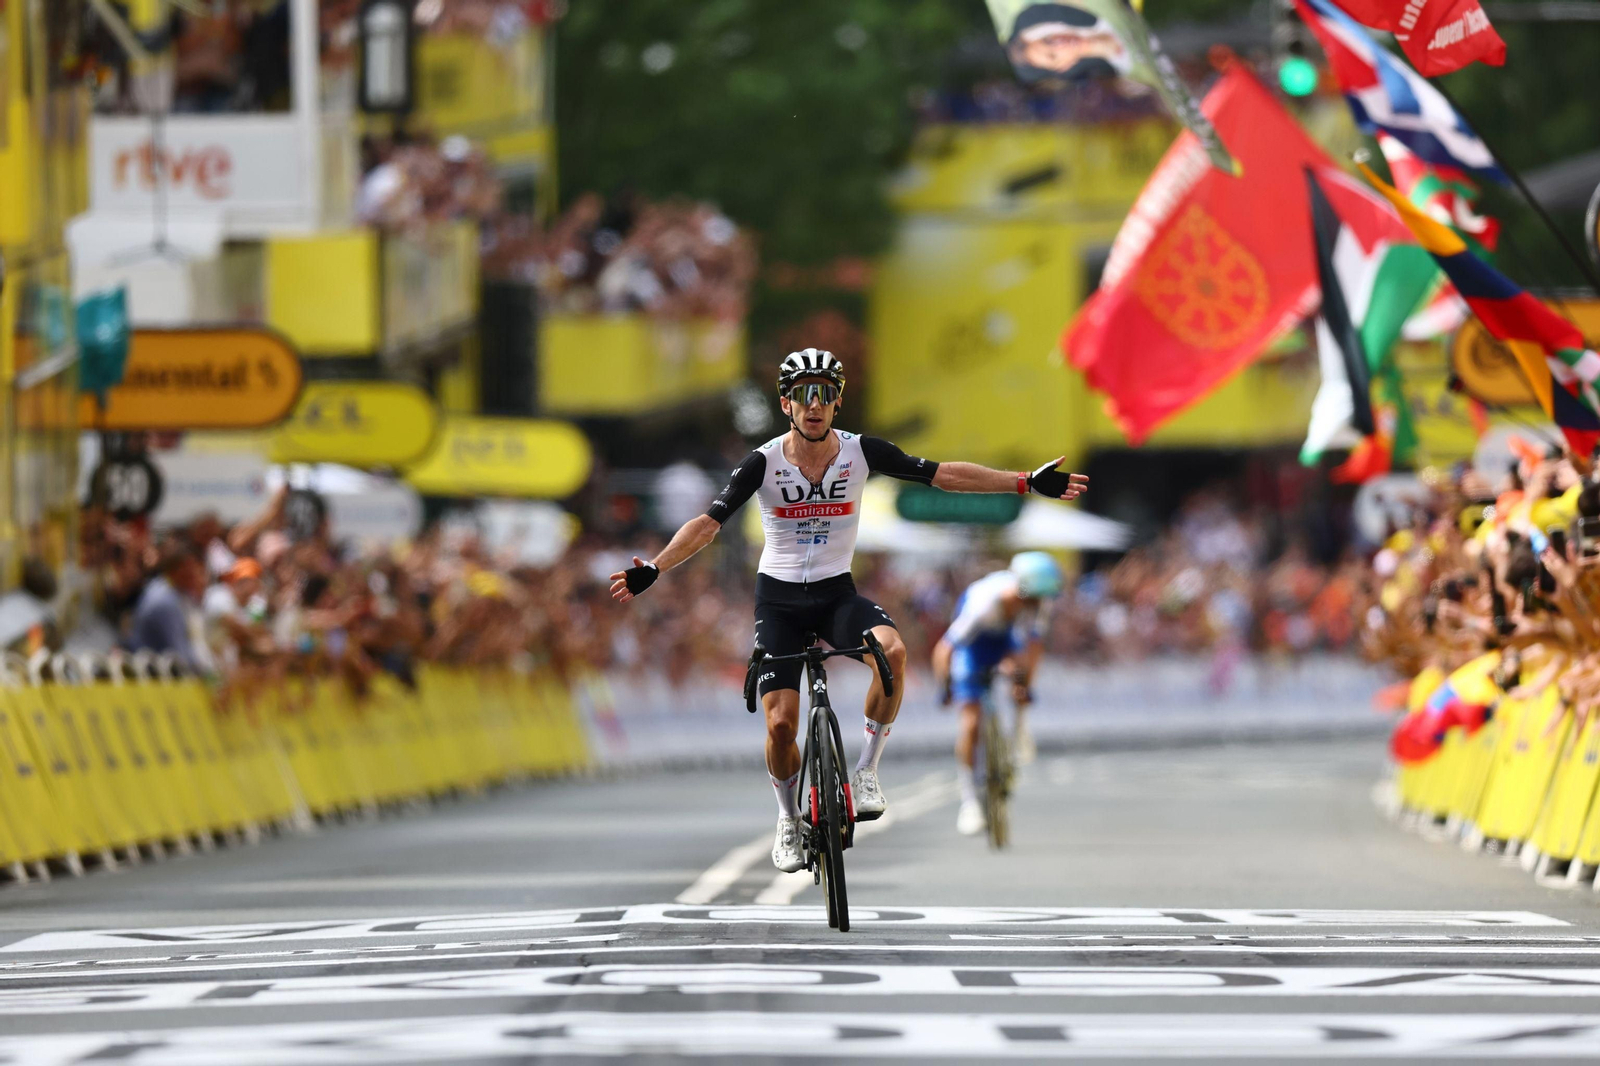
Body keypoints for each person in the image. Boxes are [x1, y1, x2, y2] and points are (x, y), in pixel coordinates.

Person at [610, 349, 1088, 872]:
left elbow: (943, 475)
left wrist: (1022, 482)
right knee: (779, 727)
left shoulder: (862, 452)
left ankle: (864, 771)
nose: (814, 404)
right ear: (786, 403)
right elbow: (708, 523)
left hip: (838, 594)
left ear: (837, 402)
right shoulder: (762, 463)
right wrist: (655, 568)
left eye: (825, 393)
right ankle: (789, 819)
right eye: (802, 394)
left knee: (895, 652)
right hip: (781, 600)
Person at [932, 552, 1064, 835]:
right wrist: (945, 688)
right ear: (1022, 592)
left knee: (1020, 678)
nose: (1039, 605)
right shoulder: (984, 604)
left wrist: (1025, 686)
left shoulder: (1037, 601)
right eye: (1034, 599)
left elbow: (1033, 649)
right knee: (971, 722)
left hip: (1006, 640)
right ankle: (970, 802)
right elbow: (945, 650)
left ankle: (1016, 734)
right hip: (974, 646)